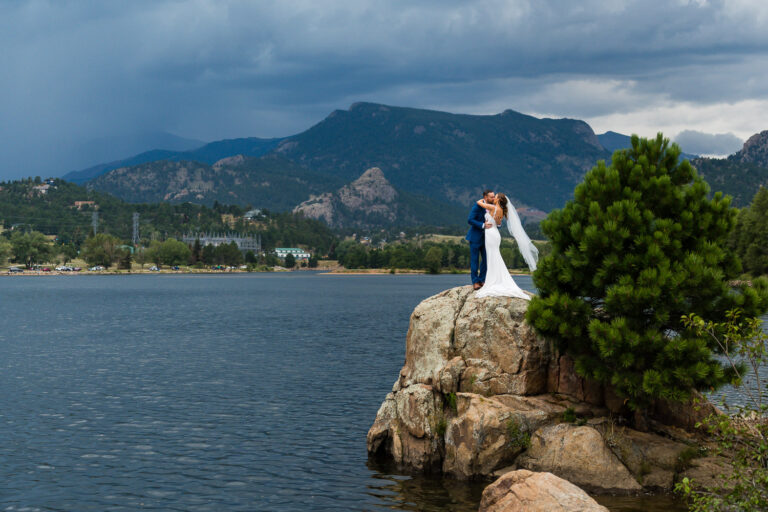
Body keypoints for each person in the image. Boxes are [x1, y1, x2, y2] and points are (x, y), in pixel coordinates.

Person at [474, 192, 538, 299]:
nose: (494, 198)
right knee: (494, 256)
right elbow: (498, 223)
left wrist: (485, 199)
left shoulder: (492, 207)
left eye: (496, 197)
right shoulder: (502, 211)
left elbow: (479, 202)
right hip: (495, 234)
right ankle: (496, 279)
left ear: (498, 200)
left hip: (490, 234)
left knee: (492, 256)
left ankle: (492, 280)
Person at [466, 190, 494, 290]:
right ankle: (475, 282)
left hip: (488, 238)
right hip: (475, 237)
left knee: (486, 260)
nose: (493, 198)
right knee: (474, 260)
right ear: (485, 197)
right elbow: (470, 219)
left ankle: (482, 280)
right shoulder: (478, 206)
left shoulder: (494, 207)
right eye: (491, 197)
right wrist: (482, 225)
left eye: (494, 196)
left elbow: (497, 221)